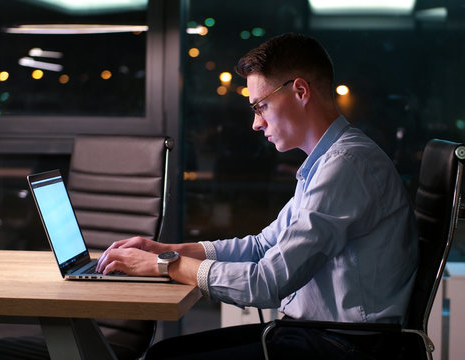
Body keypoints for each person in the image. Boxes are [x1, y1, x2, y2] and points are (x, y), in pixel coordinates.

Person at [96, 32, 418, 360]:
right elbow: (262, 246)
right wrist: (169, 251)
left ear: (300, 91)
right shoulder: (329, 161)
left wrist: (166, 266)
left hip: (345, 345)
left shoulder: (346, 166)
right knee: (164, 353)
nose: (255, 123)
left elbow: (267, 282)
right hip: (319, 334)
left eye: (261, 106)